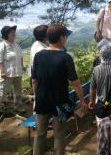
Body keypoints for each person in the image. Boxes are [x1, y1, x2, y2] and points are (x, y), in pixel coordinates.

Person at [32, 24, 88, 155]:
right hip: (60, 103)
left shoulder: (38, 56)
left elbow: (34, 80)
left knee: (40, 134)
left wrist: (38, 96)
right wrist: (82, 101)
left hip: (42, 101)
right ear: (62, 38)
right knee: (59, 134)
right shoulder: (65, 57)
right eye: (65, 36)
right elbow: (76, 83)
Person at [0, 26, 25, 120]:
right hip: (7, 73)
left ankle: (18, 106)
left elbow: (20, 56)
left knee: (17, 91)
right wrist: (2, 72)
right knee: (2, 92)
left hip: (17, 72)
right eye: (11, 32)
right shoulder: (2, 45)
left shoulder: (16, 44)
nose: (14, 33)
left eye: (14, 32)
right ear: (6, 35)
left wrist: (22, 67)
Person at [89, 45, 111, 123]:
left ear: (101, 56)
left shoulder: (96, 70)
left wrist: (91, 101)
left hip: (101, 106)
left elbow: (92, 88)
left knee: (102, 125)